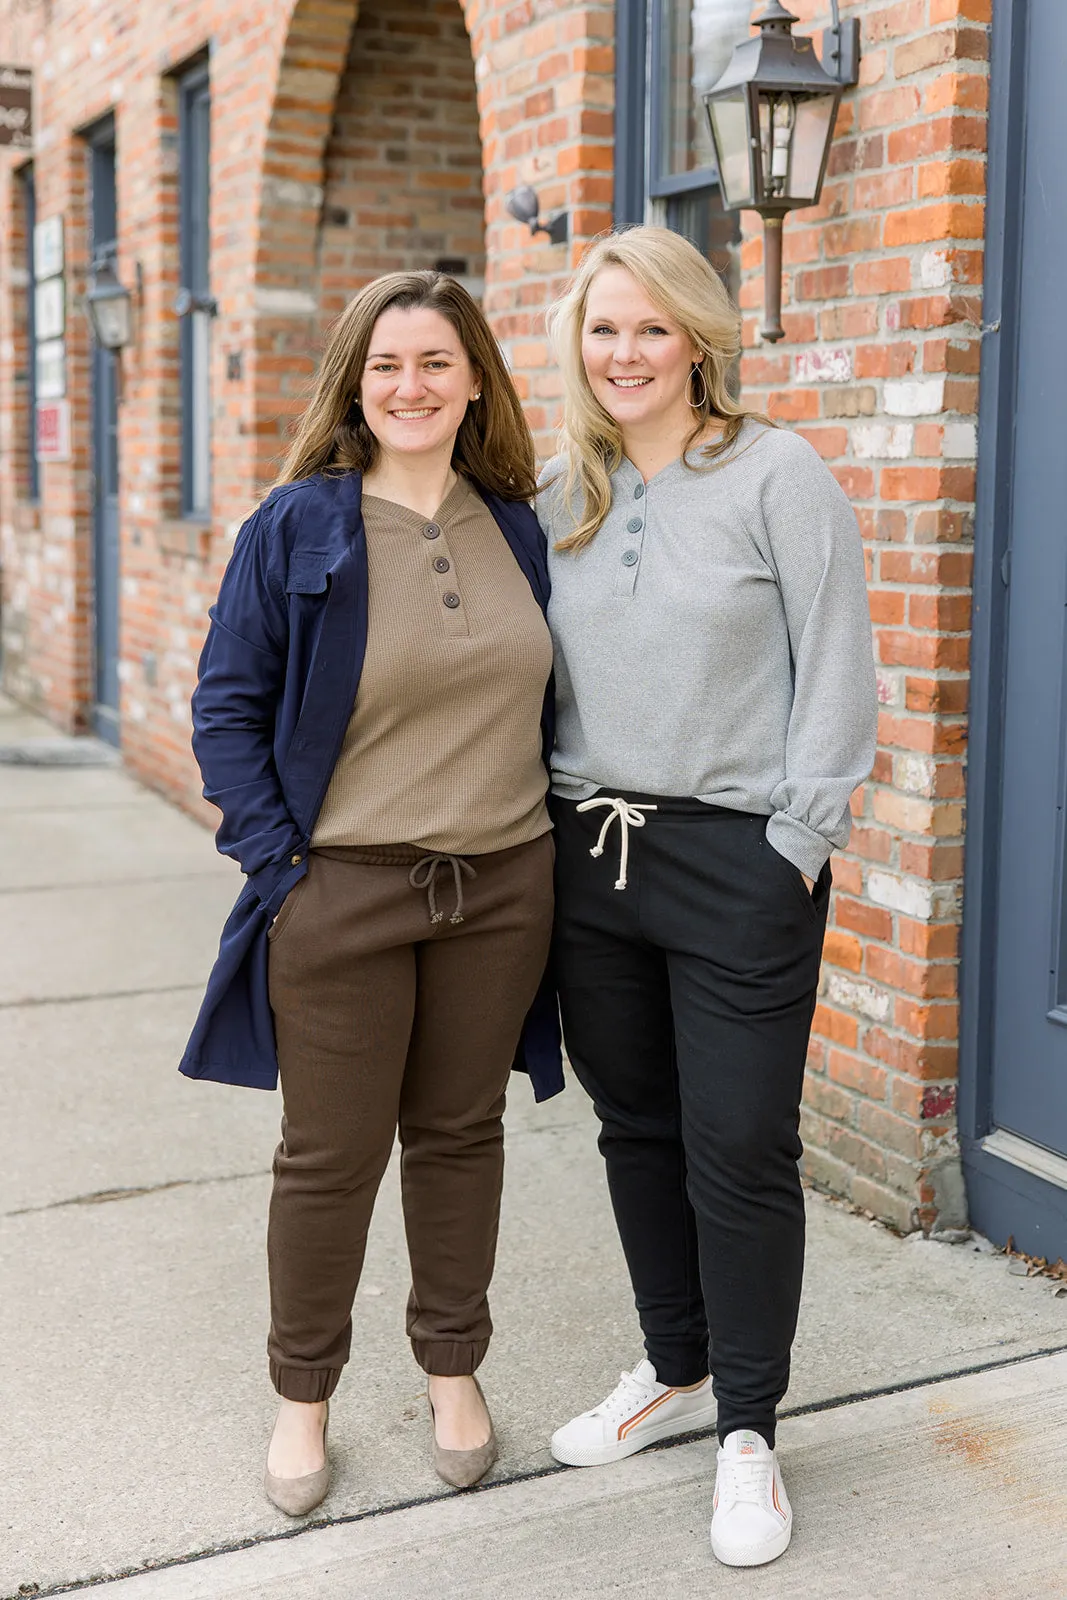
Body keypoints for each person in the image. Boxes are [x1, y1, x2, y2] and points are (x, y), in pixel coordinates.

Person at [179, 270, 562, 1518]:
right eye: (387, 364)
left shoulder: (517, 524)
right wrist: (282, 871)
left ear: (472, 382)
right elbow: (227, 709)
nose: (410, 386)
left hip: (500, 885)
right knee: (329, 1156)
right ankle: (304, 1398)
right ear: (356, 381)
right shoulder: (298, 525)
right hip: (341, 893)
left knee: (458, 1137)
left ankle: (454, 1373)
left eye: (435, 364)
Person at [538, 226, 877, 1569]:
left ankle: (747, 1431)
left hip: (738, 857)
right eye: (601, 329)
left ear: (696, 339)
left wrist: (797, 837)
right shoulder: (562, 489)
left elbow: (836, 662)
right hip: (588, 855)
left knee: (736, 1144)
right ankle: (670, 1370)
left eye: (648, 327)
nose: (623, 353)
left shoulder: (773, 473)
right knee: (636, 1130)